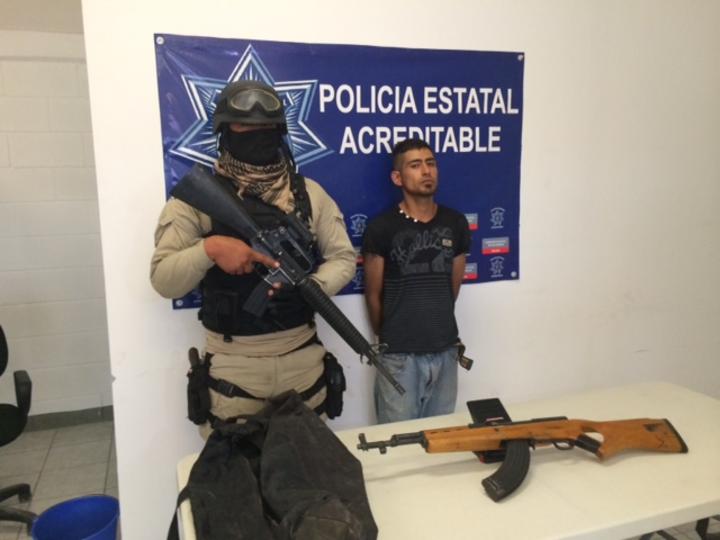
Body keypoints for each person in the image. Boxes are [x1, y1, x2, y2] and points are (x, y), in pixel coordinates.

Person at [151, 80, 356, 438]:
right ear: (225, 131)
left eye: (266, 127)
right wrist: (210, 249)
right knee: (234, 470)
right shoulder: (196, 201)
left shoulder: (309, 194)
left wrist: (312, 288)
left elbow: (343, 257)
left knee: (310, 467)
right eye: (244, 126)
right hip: (234, 368)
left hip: (303, 360)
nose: (257, 134)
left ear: (280, 131)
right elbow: (164, 280)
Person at [362, 138, 471, 423]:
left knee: (440, 437)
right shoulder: (381, 227)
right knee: (397, 439)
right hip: (399, 356)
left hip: (445, 350)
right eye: (415, 165)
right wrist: (391, 337)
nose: (426, 171)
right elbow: (373, 295)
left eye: (430, 163)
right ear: (397, 177)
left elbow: (452, 288)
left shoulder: (456, 223)